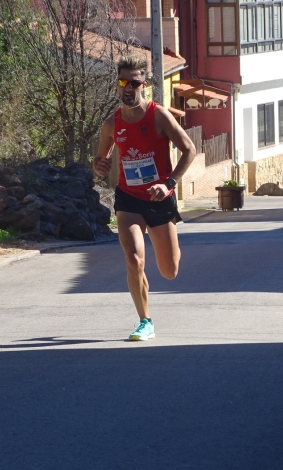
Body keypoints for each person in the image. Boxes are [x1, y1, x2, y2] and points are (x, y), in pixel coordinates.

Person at [93, 55, 196, 341]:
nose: (128, 88)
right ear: (118, 85)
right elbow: (100, 159)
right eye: (123, 82)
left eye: (134, 82)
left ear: (145, 85)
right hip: (129, 199)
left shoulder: (158, 115)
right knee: (134, 257)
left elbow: (189, 150)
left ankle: (165, 244)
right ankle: (145, 321)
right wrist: (98, 165)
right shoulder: (112, 123)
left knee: (169, 271)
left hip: (160, 200)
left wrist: (169, 184)